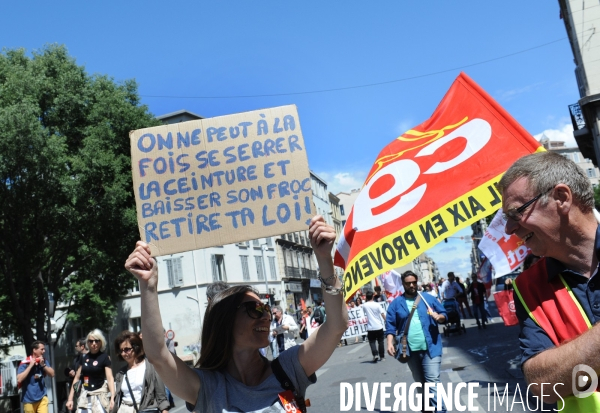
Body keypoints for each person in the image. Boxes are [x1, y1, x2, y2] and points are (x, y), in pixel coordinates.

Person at [124, 215, 348, 412]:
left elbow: (336, 326)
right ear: (226, 321)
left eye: (266, 309)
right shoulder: (208, 388)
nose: (266, 316)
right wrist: (148, 287)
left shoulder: (287, 370)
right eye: (254, 309)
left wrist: (324, 259)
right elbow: (158, 356)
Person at [497, 151, 600, 411]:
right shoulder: (527, 287)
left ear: (562, 198)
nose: (509, 229)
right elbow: (543, 385)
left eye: (516, 213)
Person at [386, 271, 447, 413]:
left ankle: (440, 411)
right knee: (421, 385)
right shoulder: (396, 304)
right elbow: (390, 326)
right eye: (408, 283)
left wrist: (440, 317)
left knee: (432, 383)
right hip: (410, 351)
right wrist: (389, 343)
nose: (412, 285)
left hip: (431, 348)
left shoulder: (427, 299)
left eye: (414, 282)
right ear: (403, 284)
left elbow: (444, 314)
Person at [111, 331, 169, 413]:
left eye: (127, 349)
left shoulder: (151, 367)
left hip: (145, 409)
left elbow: (161, 396)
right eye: (121, 350)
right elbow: (118, 399)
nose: (124, 353)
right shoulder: (120, 373)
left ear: (136, 348)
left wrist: (164, 410)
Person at [66, 329, 115, 413]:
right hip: (85, 395)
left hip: (99, 396)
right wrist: (70, 399)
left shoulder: (104, 357)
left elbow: (110, 378)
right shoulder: (84, 358)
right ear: (87, 343)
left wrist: (113, 397)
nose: (94, 344)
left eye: (96, 341)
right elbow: (77, 379)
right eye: (91, 341)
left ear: (101, 342)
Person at [17, 341, 55, 413]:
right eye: (42, 349)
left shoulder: (43, 361)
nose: (44, 351)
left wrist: (43, 365)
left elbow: (52, 374)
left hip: (42, 397)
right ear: (34, 350)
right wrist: (30, 366)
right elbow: (19, 379)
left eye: (44, 349)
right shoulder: (25, 363)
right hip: (29, 400)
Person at [362, 291, 386, 362]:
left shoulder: (365, 305)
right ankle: (382, 356)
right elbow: (382, 313)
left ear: (366, 297)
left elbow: (364, 312)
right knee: (380, 342)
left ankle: (375, 354)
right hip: (378, 326)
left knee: (372, 342)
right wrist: (386, 321)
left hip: (370, 327)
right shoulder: (377, 305)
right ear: (373, 296)